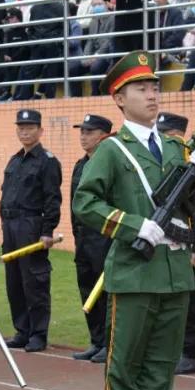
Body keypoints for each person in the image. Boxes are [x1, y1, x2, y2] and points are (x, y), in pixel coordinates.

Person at [73, 51, 195, 390]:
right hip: (135, 272)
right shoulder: (112, 150)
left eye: (154, 87)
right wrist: (132, 225)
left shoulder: (175, 148)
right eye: (141, 89)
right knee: (126, 360)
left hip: (174, 272)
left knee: (163, 360)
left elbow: (191, 206)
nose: (152, 95)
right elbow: (85, 202)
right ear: (120, 99)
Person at [0, 109, 62, 352]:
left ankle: (38, 333)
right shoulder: (15, 160)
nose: (24, 132)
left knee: (34, 280)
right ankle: (22, 330)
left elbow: (52, 199)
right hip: (10, 225)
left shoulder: (47, 161)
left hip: (31, 225)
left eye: (29, 127)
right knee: (14, 280)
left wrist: (47, 230)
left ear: (40, 130)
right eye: (21, 127)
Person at [156, 113, 195, 375]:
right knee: (165, 301)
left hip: (190, 243)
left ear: (178, 135)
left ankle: (189, 352)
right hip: (164, 242)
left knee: (189, 302)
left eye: (166, 134)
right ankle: (168, 349)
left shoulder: (194, 163)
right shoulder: (163, 162)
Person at [69, 114, 113, 364]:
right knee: (86, 288)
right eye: (82, 132)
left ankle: (109, 343)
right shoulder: (80, 164)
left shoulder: (110, 164)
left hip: (103, 236)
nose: (83, 136)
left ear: (103, 136)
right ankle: (96, 341)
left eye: (89, 132)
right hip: (84, 237)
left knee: (105, 292)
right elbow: (75, 203)